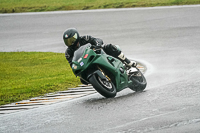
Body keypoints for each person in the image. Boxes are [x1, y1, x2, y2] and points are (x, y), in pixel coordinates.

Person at [63, 28, 137, 69]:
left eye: (71, 40)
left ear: (76, 36)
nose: (70, 43)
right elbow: (72, 64)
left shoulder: (85, 38)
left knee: (109, 47)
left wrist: (97, 46)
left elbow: (97, 40)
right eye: (68, 41)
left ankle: (127, 62)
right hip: (86, 63)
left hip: (98, 54)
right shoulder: (68, 53)